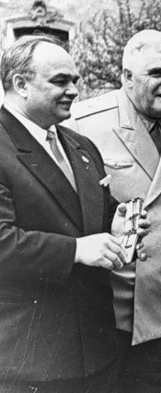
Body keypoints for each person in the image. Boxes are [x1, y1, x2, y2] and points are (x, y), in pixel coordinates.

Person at [70, 30, 161, 393]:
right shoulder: (83, 124)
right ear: (127, 77)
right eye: (156, 73)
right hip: (99, 310)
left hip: (160, 309)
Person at [0, 36, 143, 392]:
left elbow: (92, 215)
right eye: (60, 81)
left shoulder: (81, 146)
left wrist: (117, 225)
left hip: (95, 348)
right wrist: (77, 250)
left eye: (75, 80)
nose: (74, 91)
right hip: (28, 358)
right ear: (20, 84)